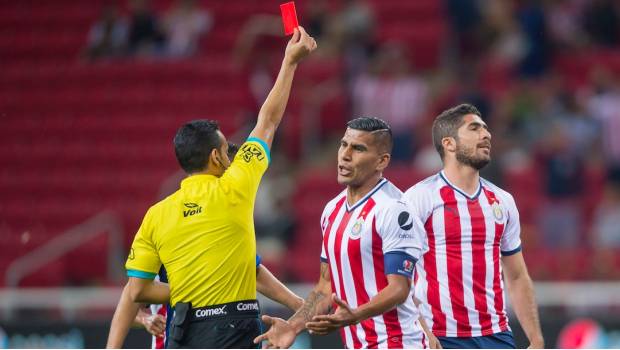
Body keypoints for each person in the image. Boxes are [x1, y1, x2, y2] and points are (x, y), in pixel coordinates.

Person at [123, 27, 316, 348]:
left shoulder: (156, 215)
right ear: (215, 156)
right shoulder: (235, 185)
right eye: (227, 150)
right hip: (234, 326)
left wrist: (190, 289)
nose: (231, 156)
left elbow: (138, 290)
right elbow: (267, 121)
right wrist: (290, 62)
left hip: (184, 331)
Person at [255, 117, 427, 349]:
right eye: (343, 144)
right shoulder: (332, 210)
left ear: (381, 161)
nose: (345, 155)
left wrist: (355, 315)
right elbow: (325, 287)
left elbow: (399, 288)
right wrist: (293, 326)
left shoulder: (394, 209)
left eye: (358, 148)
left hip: (397, 342)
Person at [403, 104, 544, 349]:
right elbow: (396, 277)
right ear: (449, 143)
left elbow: (517, 275)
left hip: (497, 336)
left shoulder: (503, 201)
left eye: (486, 129)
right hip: (439, 336)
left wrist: (536, 338)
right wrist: (423, 331)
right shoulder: (418, 198)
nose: (486, 135)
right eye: (475, 128)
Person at [106, 257, 304, 348]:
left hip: (228, 336)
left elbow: (253, 271)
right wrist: (145, 320)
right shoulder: (165, 244)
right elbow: (132, 295)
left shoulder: (224, 232)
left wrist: (301, 307)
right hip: (173, 343)